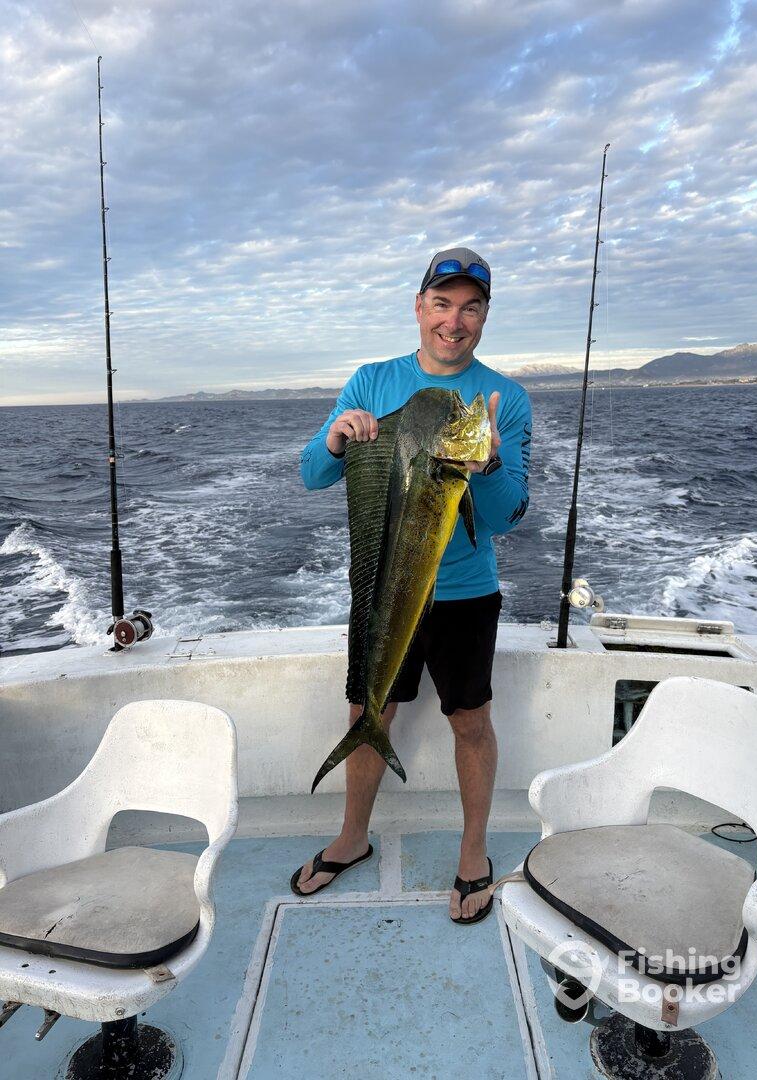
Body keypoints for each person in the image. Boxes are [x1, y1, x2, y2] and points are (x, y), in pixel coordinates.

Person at [292, 248, 532, 923]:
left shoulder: (504, 399)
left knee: (470, 721)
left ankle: (474, 854)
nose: (455, 321)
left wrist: (485, 469)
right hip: (379, 587)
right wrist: (336, 439)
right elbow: (312, 474)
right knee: (369, 710)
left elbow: (510, 515)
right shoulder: (371, 381)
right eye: (443, 303)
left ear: (484, 315)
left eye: (471, 307)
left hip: (463, 594)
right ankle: (351, 838)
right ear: (419, 307)